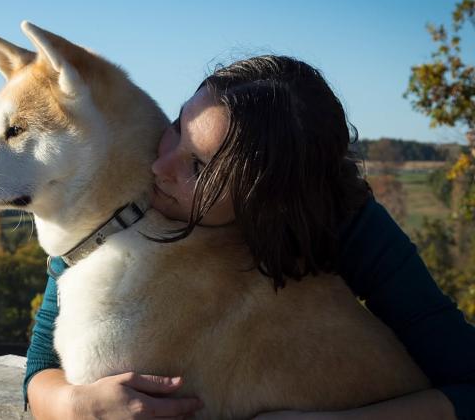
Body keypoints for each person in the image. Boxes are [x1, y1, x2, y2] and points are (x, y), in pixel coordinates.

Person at [23, 55, 475, 419]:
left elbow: (470, 383)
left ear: (266, 199)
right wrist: (75, 405)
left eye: (198, 167)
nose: (161, 167)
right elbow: (41, 367)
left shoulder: (347, 222)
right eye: (178, 128)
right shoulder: (126, 187)